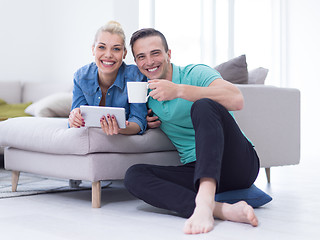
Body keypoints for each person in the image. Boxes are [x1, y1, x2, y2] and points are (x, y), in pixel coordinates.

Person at [124, 28, 260, 235]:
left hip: (237, 164)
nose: (149, 62)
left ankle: (205, 203)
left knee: (203, 105)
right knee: (134, 175)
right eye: (141, 57)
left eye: (155, 53)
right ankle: (221, 209)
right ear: (136, 62)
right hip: (196, 168)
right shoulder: (145, 93)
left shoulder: (194, 73)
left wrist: (179, 90)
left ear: (169, 54)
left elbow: (237, 99)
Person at [68, 21, 147, 135]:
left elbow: (139, 121)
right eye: (101, 47)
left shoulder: (136, 77)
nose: (108, 54)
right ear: (93, 50)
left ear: (124, 53)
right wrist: (75, 117)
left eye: (116, 49)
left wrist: (121, 128)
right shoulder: (81, 76)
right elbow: (76, 120)